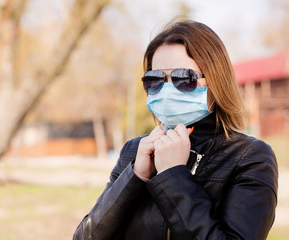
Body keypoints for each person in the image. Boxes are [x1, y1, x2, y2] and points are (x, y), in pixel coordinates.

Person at [73, 19, 278, 240]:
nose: (167, 89)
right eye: (155, 79)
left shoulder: (249, 158)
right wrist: (136, 176)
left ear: (217, 81)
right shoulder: (134, 151)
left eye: (184, 78)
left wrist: (173, 176)